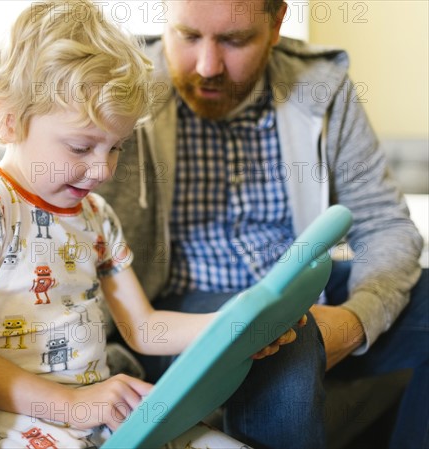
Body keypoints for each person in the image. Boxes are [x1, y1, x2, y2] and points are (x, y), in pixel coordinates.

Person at [0, 2, 298, 447]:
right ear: (8, 119)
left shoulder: (96, 216)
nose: (103, 171)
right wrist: (71, 405)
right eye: (81, 147)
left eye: (115, 147)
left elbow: (142, 328)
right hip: (9, 421)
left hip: (96, 416)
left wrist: (230, 328)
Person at [96, 1, 428, 448]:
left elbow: (386, 223)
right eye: (188, 36)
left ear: (275, 26)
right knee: (275, 334)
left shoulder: (322, 87)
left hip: (305, 288)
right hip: (183, 305)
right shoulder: (123, 86)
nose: (208, 66)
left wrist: (355, 320)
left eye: (234, 41)